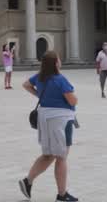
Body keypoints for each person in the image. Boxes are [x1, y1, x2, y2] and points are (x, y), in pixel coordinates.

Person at [18, 49, 78, 202]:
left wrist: (40, 95)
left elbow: (26, 84)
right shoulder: (60, 79)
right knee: (61, 157)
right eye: (59, 59)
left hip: (45, 118)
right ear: (56, 63)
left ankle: (28, 181)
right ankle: (62, 195)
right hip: (61, 120)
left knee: (49, 155)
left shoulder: (40, 77)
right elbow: (72, 100)